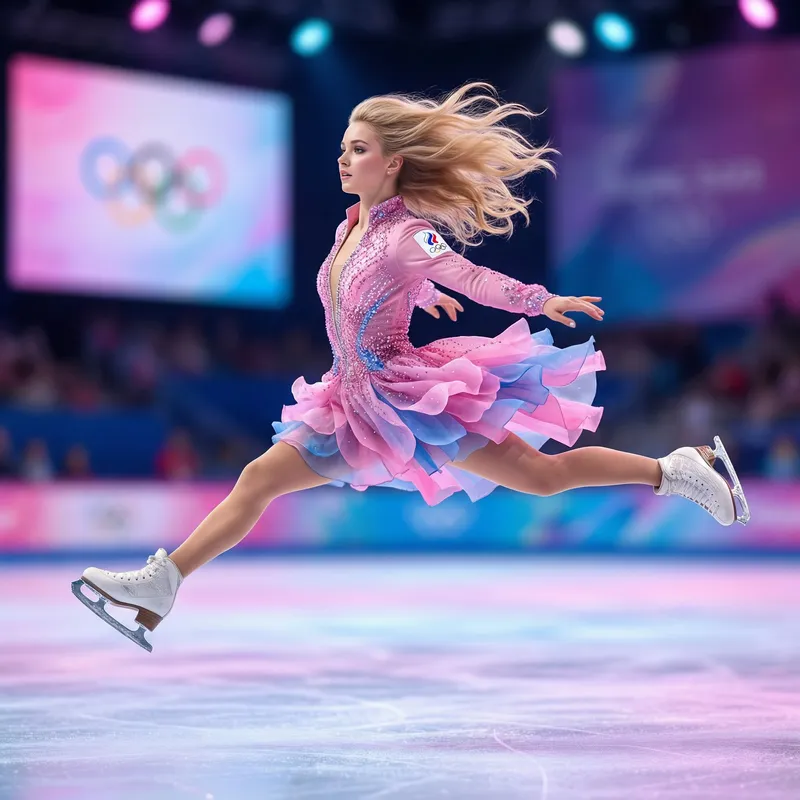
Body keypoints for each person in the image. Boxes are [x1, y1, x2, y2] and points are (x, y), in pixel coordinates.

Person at [72, 82, 750, 652]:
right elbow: (367, 289)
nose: (344, 158)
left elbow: (466, 272)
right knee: (257, 480)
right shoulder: (351, 230)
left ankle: (674, 471)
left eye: (359, 149)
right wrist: (418, 292)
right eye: (342, 146)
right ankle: (163, 584)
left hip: (408, 398)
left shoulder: (404, 232)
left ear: (393, 164)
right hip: (350, 400)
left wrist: (542, 300)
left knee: (542, 477)